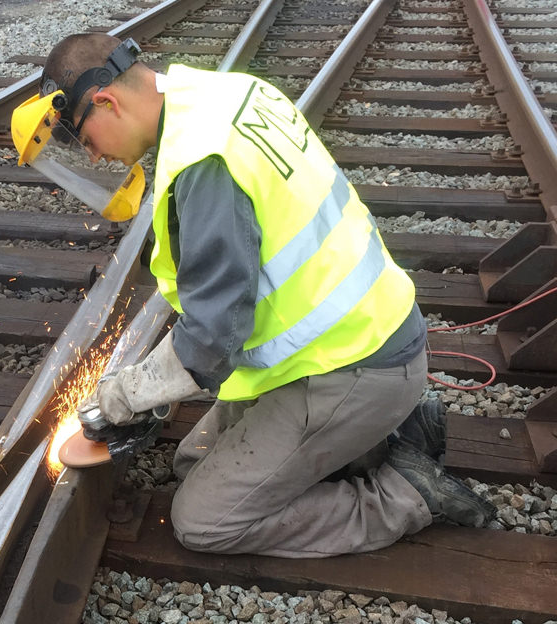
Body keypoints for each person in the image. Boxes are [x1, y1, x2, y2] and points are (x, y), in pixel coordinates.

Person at [28, 33, 495, 557]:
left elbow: (210, 339)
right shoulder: (222, 94)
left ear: (107, 102)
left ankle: (407, 495)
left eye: (88, 141)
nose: (98, 155)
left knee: (203, 521)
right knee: (192, 463)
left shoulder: (205, 162)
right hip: (348, 338)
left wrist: (124, 395)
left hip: (356, 364)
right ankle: (375, 442)